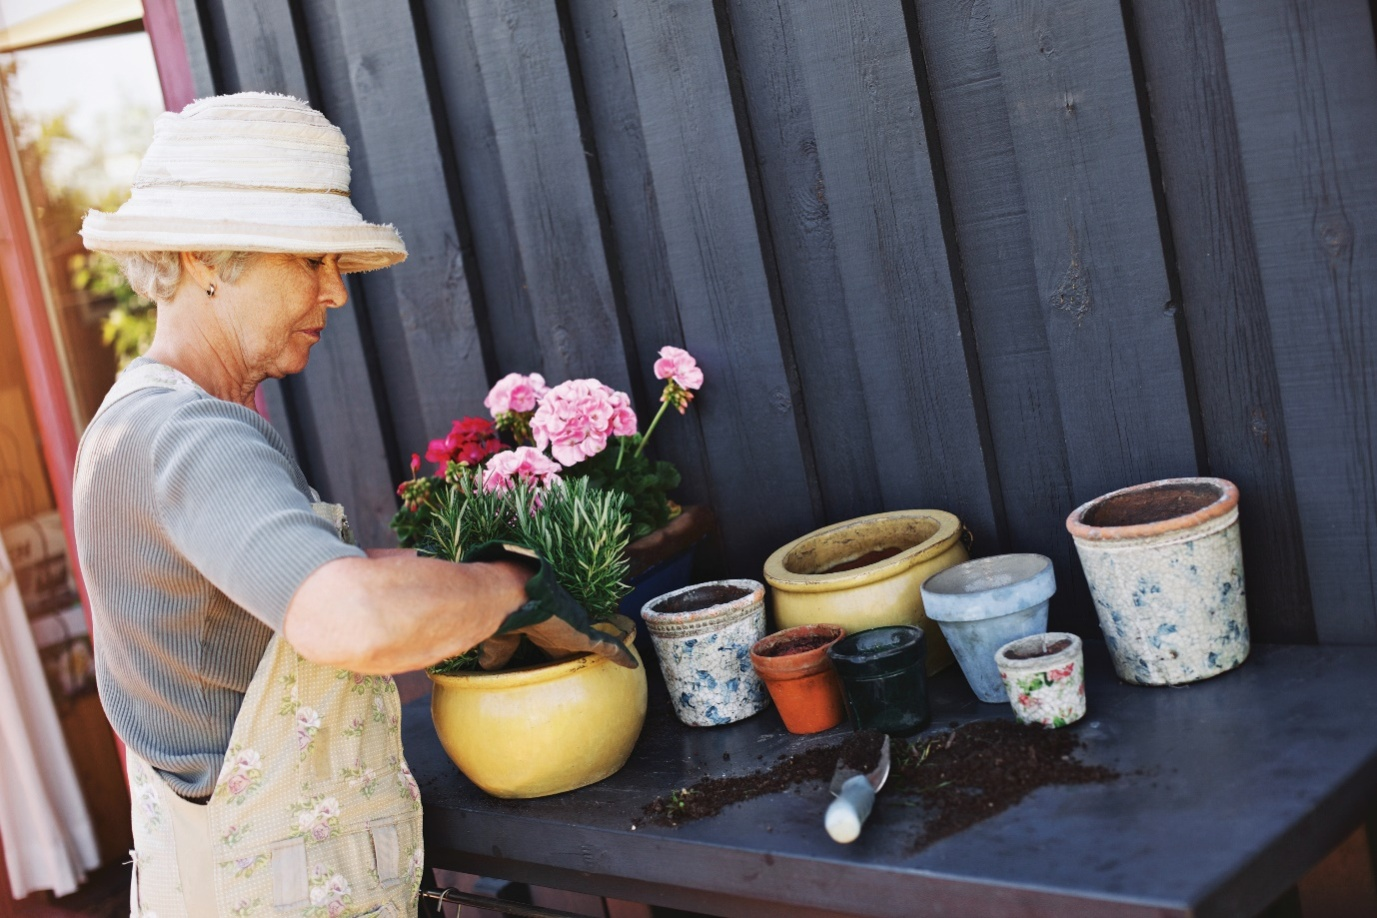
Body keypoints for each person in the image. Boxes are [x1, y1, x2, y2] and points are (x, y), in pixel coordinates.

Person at [73, 92, 633, 918]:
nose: (335, 293)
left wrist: (454, 605)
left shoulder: (137, 423)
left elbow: (296, 590)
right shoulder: (187, 436)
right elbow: (349, 616)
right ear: (201, 257)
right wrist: (512, 585)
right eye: (310, 261)